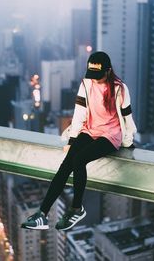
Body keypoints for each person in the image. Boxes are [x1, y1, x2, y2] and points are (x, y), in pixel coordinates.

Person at [21, 51, 137, 231]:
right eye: (92, 75)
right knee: (66, 165)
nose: (95, 79)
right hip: (90, 129)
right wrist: (72, 140)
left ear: (108, 71)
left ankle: (77, 208)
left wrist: (128, 141)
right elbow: (79, 114)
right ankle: (42, 214)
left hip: (110, 135)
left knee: (79, 159)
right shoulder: (86, 83)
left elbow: (127, 117)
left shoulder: (120, 89)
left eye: (98, 76)